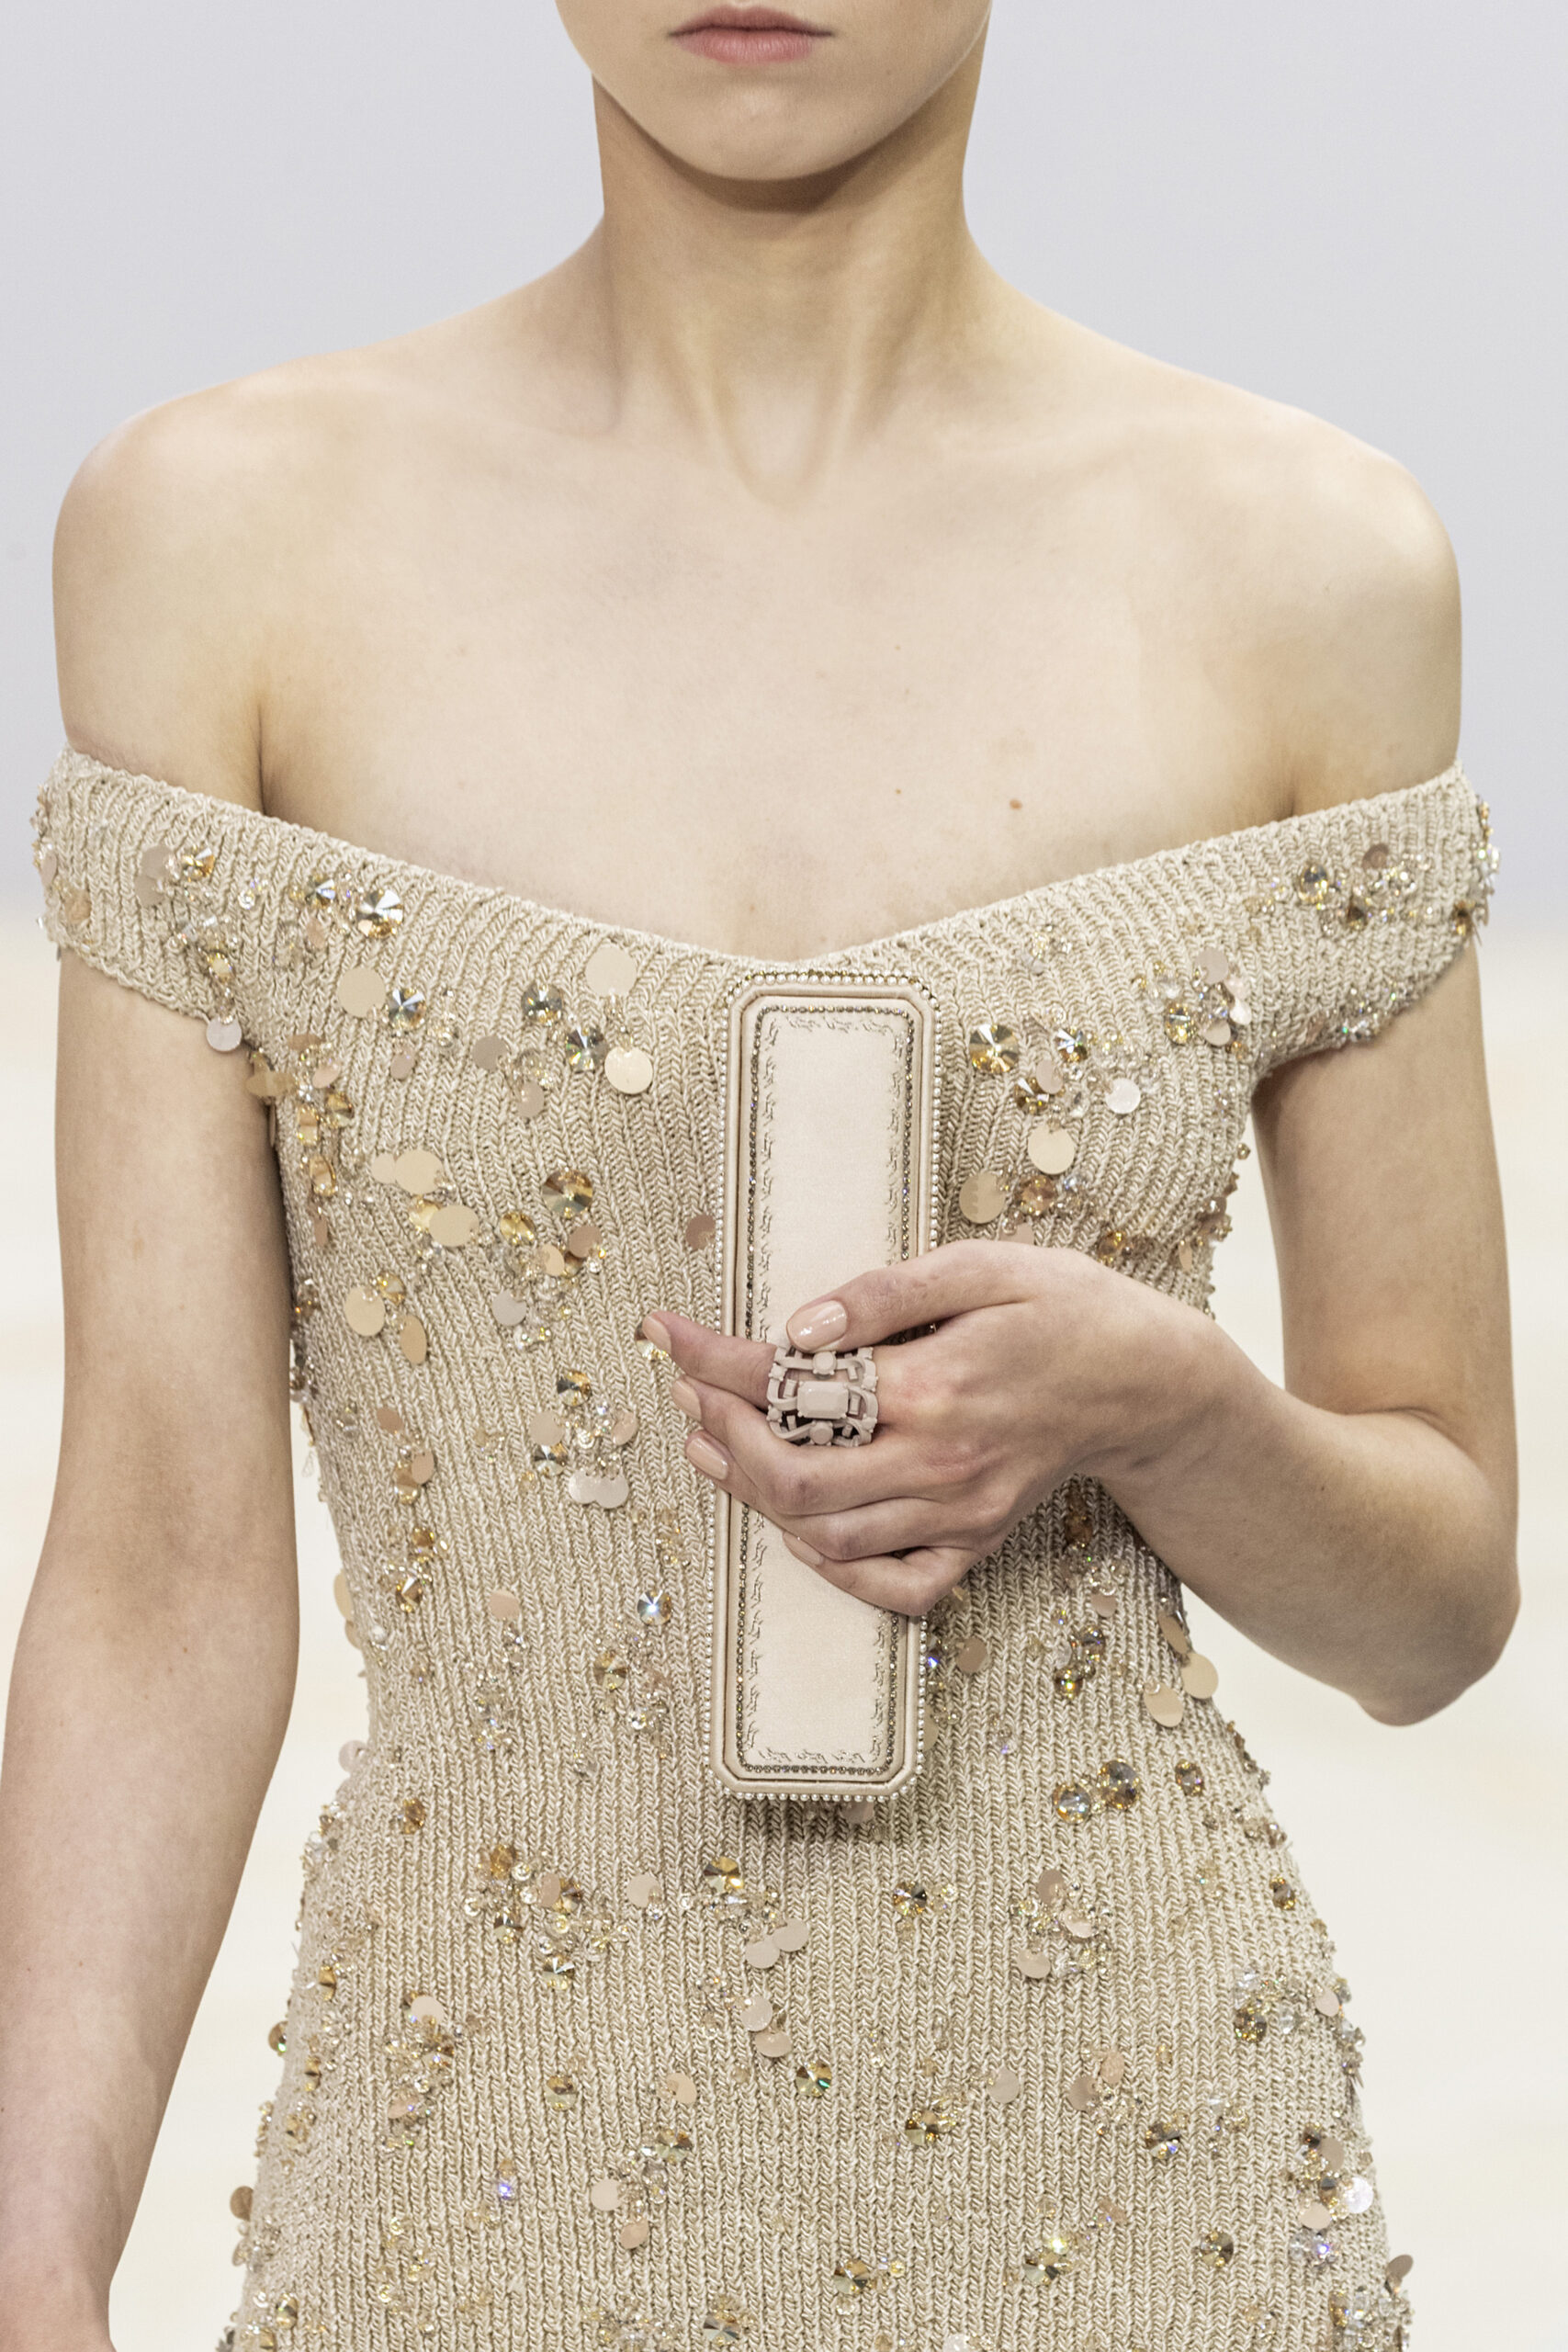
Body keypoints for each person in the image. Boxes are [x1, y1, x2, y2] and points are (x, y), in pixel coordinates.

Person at [0, 5, 1517, 2349]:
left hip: (1135, 2191)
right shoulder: (223, 541)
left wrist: (1164, 1406)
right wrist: (36, 2244)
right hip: (466, 2185)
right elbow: (159, 1562)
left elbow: (1433, 1608)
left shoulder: (1302, 571)